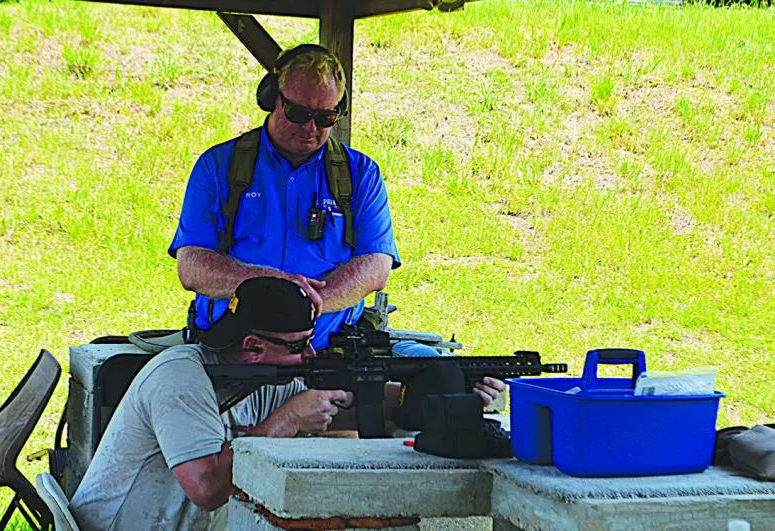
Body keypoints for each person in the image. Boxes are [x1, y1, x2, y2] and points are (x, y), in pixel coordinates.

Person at [69, 277, 506, 531]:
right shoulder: (180, 378)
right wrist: (289, 418)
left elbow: (364, 403)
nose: (309, 355)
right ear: (253, 346)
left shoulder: (262, 376)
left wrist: (452, 393)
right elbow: (207, 490)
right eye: (298, 346)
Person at [168, 43, 401, 352]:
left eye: (325, 117)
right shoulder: (218, 166)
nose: (310, 128)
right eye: (298, 113)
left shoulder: (361, 174)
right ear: (271, 99)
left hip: (328, 354)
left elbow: (376, 266)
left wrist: (303, 305)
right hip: (232, 354)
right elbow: (192, 266)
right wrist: (274, 289)